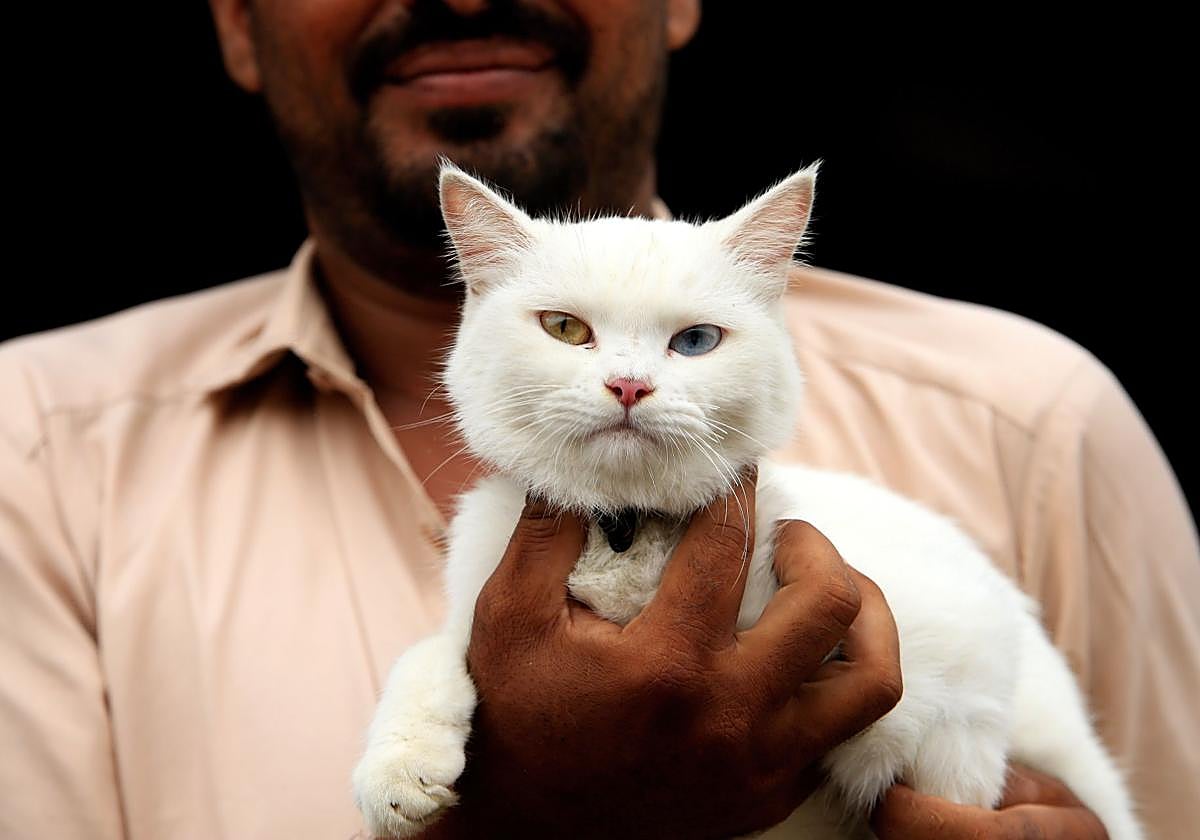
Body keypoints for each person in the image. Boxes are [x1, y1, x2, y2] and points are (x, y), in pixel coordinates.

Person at [0, 1, 1195, 838]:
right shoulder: (33, 448)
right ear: (229, 20)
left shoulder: (1036, 418)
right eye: (568, 332)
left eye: (688, 341)